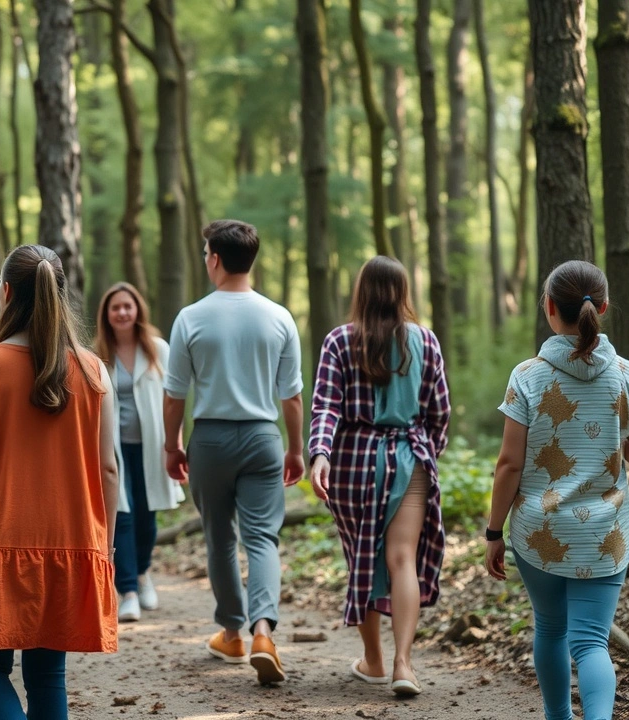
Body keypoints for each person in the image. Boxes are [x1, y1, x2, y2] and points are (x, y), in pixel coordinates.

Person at [0, 245, 118, 719]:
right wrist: (105, 549)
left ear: (7, 291)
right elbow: (109, 468)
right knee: (47, 676)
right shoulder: (95, 370)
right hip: (69, 543)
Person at [487, 260, 629, 720]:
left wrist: (492, 532)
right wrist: (610, 435)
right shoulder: (628, 375)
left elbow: (509, 464)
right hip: (604, 535)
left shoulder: (527, 376)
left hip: (538, 530)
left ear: (549, 308)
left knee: (549, 628)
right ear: (602, 307)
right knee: (590, 641)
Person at [163, 219, 304, 686]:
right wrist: (296, 449)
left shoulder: (191, 317)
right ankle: (263, 632)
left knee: (220, 537)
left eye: (206, 253)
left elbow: (174, 395)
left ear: (216, 258)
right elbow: (292, 396)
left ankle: (231, 633)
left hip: (210, 439)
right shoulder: (279, 317)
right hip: (264, 437)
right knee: (262, 538)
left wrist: (171, 445)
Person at [307, 256, 451, 697]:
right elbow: (439, 412)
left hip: (352, 461)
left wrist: (320, 454)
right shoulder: (425, 342)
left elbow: (326, 406)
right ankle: (403, 665)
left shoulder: (339, 341)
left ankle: (373, 660)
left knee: (361, 559)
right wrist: (428, 451)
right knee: (402, 558)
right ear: (403, 292)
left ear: (361, 291)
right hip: (410, 458)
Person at [94, 282, 185, 623]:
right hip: (112, 448)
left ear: (137, 311)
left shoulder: (159, 350)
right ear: (107, 314)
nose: (122, 313)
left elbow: (175, 397)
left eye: (127, 307)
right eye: (115, 307)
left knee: (147, 517)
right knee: (123, 516)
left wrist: (175, 442)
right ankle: (128, 590)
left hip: (151, 446)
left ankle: (144, 572)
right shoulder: (98, 354)